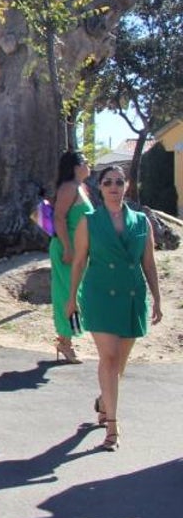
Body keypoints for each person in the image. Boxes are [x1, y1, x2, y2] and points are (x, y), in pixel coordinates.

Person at [67, 166, 163, 452]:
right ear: (100, 187)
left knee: (119, 363)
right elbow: (79, 261)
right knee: (108, 358)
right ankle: (112, 425)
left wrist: (157, 298)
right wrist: (72, 297)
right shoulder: (89, 221)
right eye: (107, 182)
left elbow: (149, 262)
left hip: (131, 294)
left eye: (119, 182)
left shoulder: (141, 221)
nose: (113, 187)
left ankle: (103, 400)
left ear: (127, 186)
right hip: (99, 295)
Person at [49, 152, 93, 364]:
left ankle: (67, 338)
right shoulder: (69, 188)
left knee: (76, 294)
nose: (88, 164)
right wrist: (67, 247)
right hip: (67, 250)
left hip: (80, 251)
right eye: (84, 162)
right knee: (67, 294)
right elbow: (58, 217)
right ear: (75, 167)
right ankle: (65, 342)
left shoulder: (81, 188)